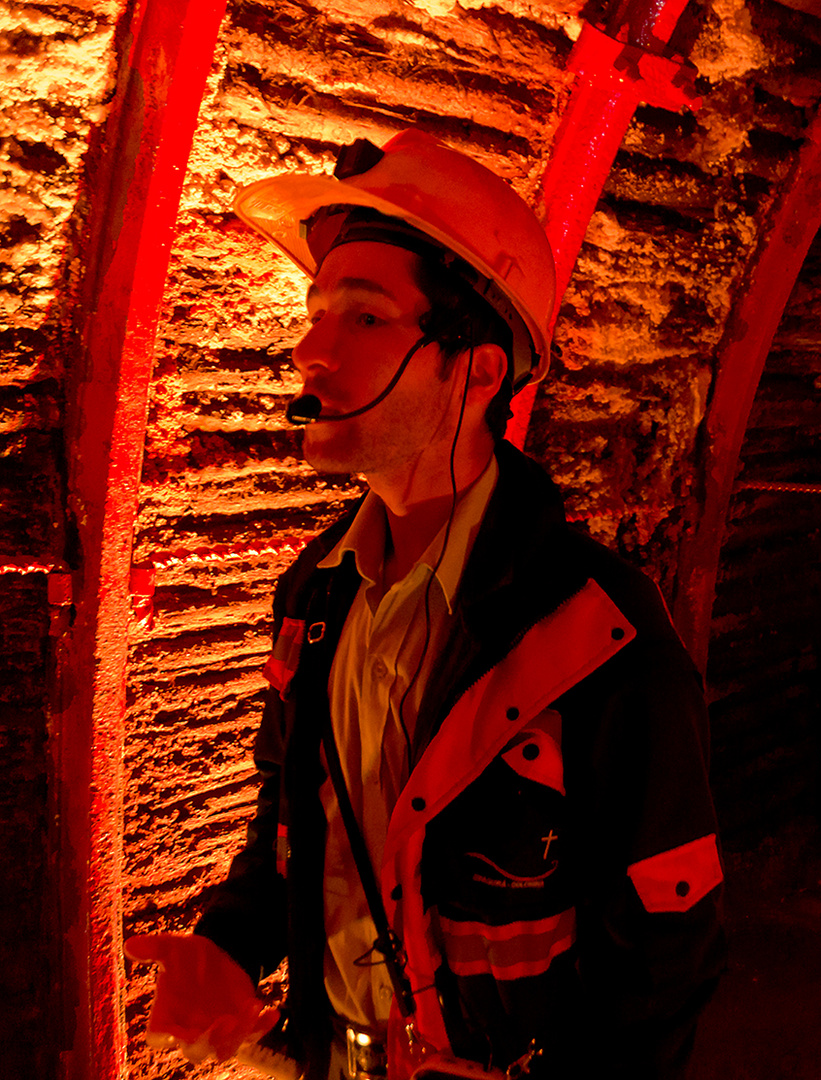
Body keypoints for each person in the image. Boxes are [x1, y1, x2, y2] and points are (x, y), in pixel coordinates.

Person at [125, 131, 725, 1080]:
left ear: (479, 371)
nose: (307, 352)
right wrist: (233, 945)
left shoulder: (600, 632)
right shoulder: (316, 591)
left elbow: (667, 944)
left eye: (363, 320)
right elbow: (292, 826)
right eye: (316, 312)